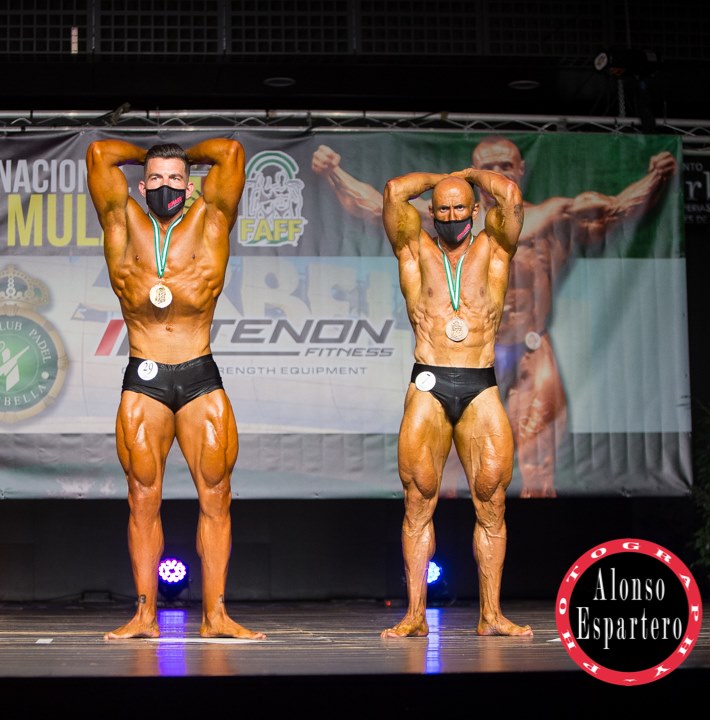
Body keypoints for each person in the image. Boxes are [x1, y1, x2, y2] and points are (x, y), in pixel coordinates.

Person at [313, 138, 677, 497]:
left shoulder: (552, 216)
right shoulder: (442, 219)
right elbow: (375, 207)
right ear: (476, 174)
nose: (499, 172)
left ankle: (536, 536)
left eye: (506, 165)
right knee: (445, 473)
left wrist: (657, 177)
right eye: (489, 167)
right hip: (462, 358)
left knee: (538, 468)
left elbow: (616, 211)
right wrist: (334, 173)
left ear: (521, 169)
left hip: (528, 353)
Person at [86, 137, 265, 641]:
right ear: (142, 186)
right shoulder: (122, 220)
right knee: (142, 497)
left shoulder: (211, 218)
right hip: (144, 374)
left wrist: (182, 155)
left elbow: (231, 151)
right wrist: (150, 154)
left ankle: (216, 616)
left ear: (189, 187)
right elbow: (99, 154)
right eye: (156, 179)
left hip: (198, 373)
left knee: (217, 495)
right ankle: (144, 615)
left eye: (175, 179)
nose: (165, 186)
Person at [380, 166, 532, 638]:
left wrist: (468, 174)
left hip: (479, 384)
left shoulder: (495, 247)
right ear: (430, 212)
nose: (449, 216)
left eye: (458, 207)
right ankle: (414, 616)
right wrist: (441, 178)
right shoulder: (414, 247)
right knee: (418, 499)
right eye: (442, 209)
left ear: (475, 209)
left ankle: (491, 615)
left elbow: (511, 196)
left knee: (492, 500)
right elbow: (393, 191)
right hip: (428, 381)